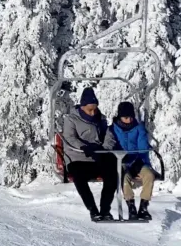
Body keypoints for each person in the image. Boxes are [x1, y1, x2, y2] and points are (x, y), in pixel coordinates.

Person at [61, 87, 119, 222]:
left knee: (112, 175)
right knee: (79, 177)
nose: (93, 113)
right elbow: (69, 137)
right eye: (89, 110)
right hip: (77, 158)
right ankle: (93, 210)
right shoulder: (72, 119)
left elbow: (108, 136)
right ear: (82, 107)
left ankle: (105, 210)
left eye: (94, 109)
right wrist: (84, 147)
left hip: (97, 157)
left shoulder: (100, 119)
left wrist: (105, 148)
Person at [110, 102, 155, 221]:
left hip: (137, 161)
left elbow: (143, 148)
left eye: (131, 117)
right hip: (121, 162)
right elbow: (109, 145)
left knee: (149, 175)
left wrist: (143, 163)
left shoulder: (139, 128)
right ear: (120, 116)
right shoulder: (113, 129)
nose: (129, 120)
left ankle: (143, 207)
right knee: (124, 178)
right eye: (126, 117)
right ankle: (131, 207)